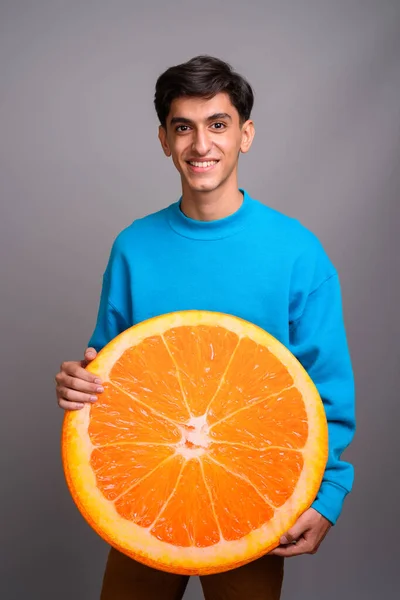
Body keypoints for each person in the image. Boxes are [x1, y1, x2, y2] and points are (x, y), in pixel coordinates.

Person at [55, 55, 355, 600]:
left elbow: (326, 386)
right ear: (164, 140)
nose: (201, 145)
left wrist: (329, 493)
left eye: (218, 124)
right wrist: (78, 383)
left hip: (253, 494)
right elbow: (109, 374)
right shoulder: (134, 247)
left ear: (246, 134)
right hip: (148, 491)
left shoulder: (297, 252)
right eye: (183, 127)